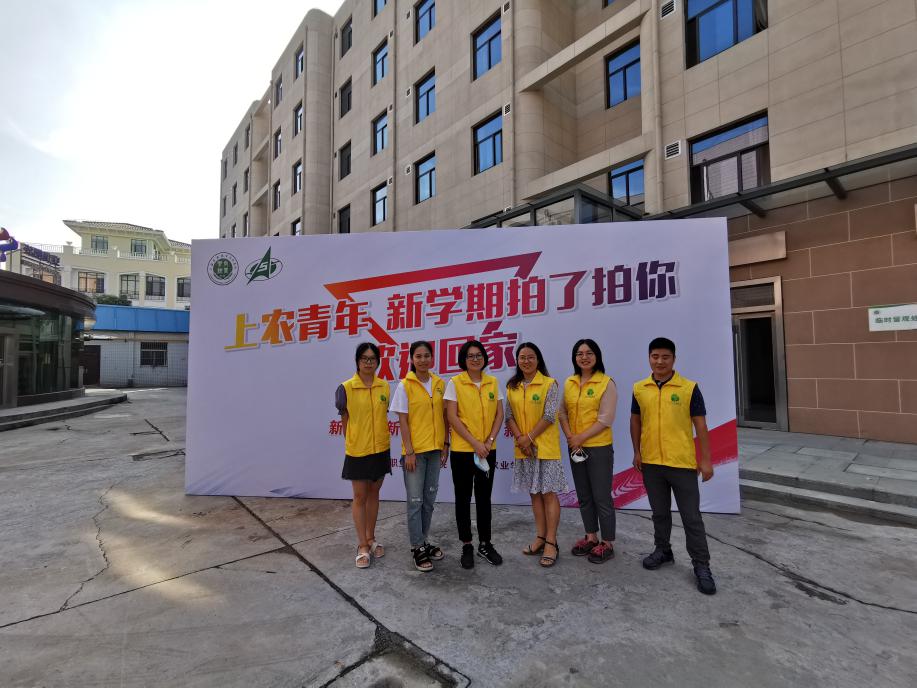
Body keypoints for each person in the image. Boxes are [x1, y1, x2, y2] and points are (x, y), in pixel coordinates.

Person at [630, 337, 716, 595]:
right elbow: (636, 421)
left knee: (691, 517)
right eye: (655, 356)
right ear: (649, 358)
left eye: (665, 357)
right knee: (659, 513)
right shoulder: (639, 388)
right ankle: (663, 550)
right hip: (651, 463)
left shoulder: (689, 388)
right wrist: (637, 452)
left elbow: (701, 425)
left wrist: (706, 460)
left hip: (682, 464)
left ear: (674, 359)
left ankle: (701, 564)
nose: (660, 361)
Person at [505, 342, 567, 568]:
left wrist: (528, 438)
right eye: (522, 357)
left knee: (548, 494)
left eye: (530, 357)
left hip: (545, 449)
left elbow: (550, 415)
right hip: (524, 450)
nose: (526, 361)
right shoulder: (512, 386)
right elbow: (508, 416)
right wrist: (521, 440)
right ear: (517, 361)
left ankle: (551, 542)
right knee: (534, 494)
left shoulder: (549, 383)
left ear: (538, 360)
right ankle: (540, 537)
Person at [445, 340, 505, 569]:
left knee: (484, 498)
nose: (475, 359)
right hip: (463, 451)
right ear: (464, 359)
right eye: (470, 356)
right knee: (462, 498)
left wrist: (488, 442)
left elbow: (499, 414)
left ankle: (485, 544)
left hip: (487, 451)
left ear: (484, 358)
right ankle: (467, 544)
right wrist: (475, 443)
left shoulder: (493, 382)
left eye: (479, 355)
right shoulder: (455, 383)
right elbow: (452, 416)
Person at [558, 339, 618, 564]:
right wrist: (571, 438)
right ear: (574, 358)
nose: (584, 357)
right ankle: (591, 536)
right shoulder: (570, 382)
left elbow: (606, 419)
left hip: (599, 447)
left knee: (602, 496)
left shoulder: (606, 383)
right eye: (579, 353)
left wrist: (580, 438)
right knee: (583, 495)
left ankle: (607, 542)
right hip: (575, 447)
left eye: (589, 353)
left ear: (597, 356)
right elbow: (562, 413)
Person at [391, 340, 449, 572]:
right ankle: (417, 546)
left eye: (427, 356)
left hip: (435, 451)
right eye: (418, 356)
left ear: (432, 358)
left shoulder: (439, 384)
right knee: (415, 501)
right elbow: (402, 421)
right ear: (411, 359)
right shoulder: (405, 386)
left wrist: (445, 444)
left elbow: (445, 416)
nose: (423, 360)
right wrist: (409, 452)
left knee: (429, 500)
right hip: (415, 453)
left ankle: (423, 540)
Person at [335, 342, 391, 569]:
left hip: (381, 449)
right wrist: (353, 441)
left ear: (378, 362)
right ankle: (362, 546)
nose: (369, 363)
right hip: (358, 450)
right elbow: (345, 420)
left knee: (374, 493)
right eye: (364, 359)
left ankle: (371, 537)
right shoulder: (346, 388)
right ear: (357, 361)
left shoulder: (384, 386)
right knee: (360, 497)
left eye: (372, 359)